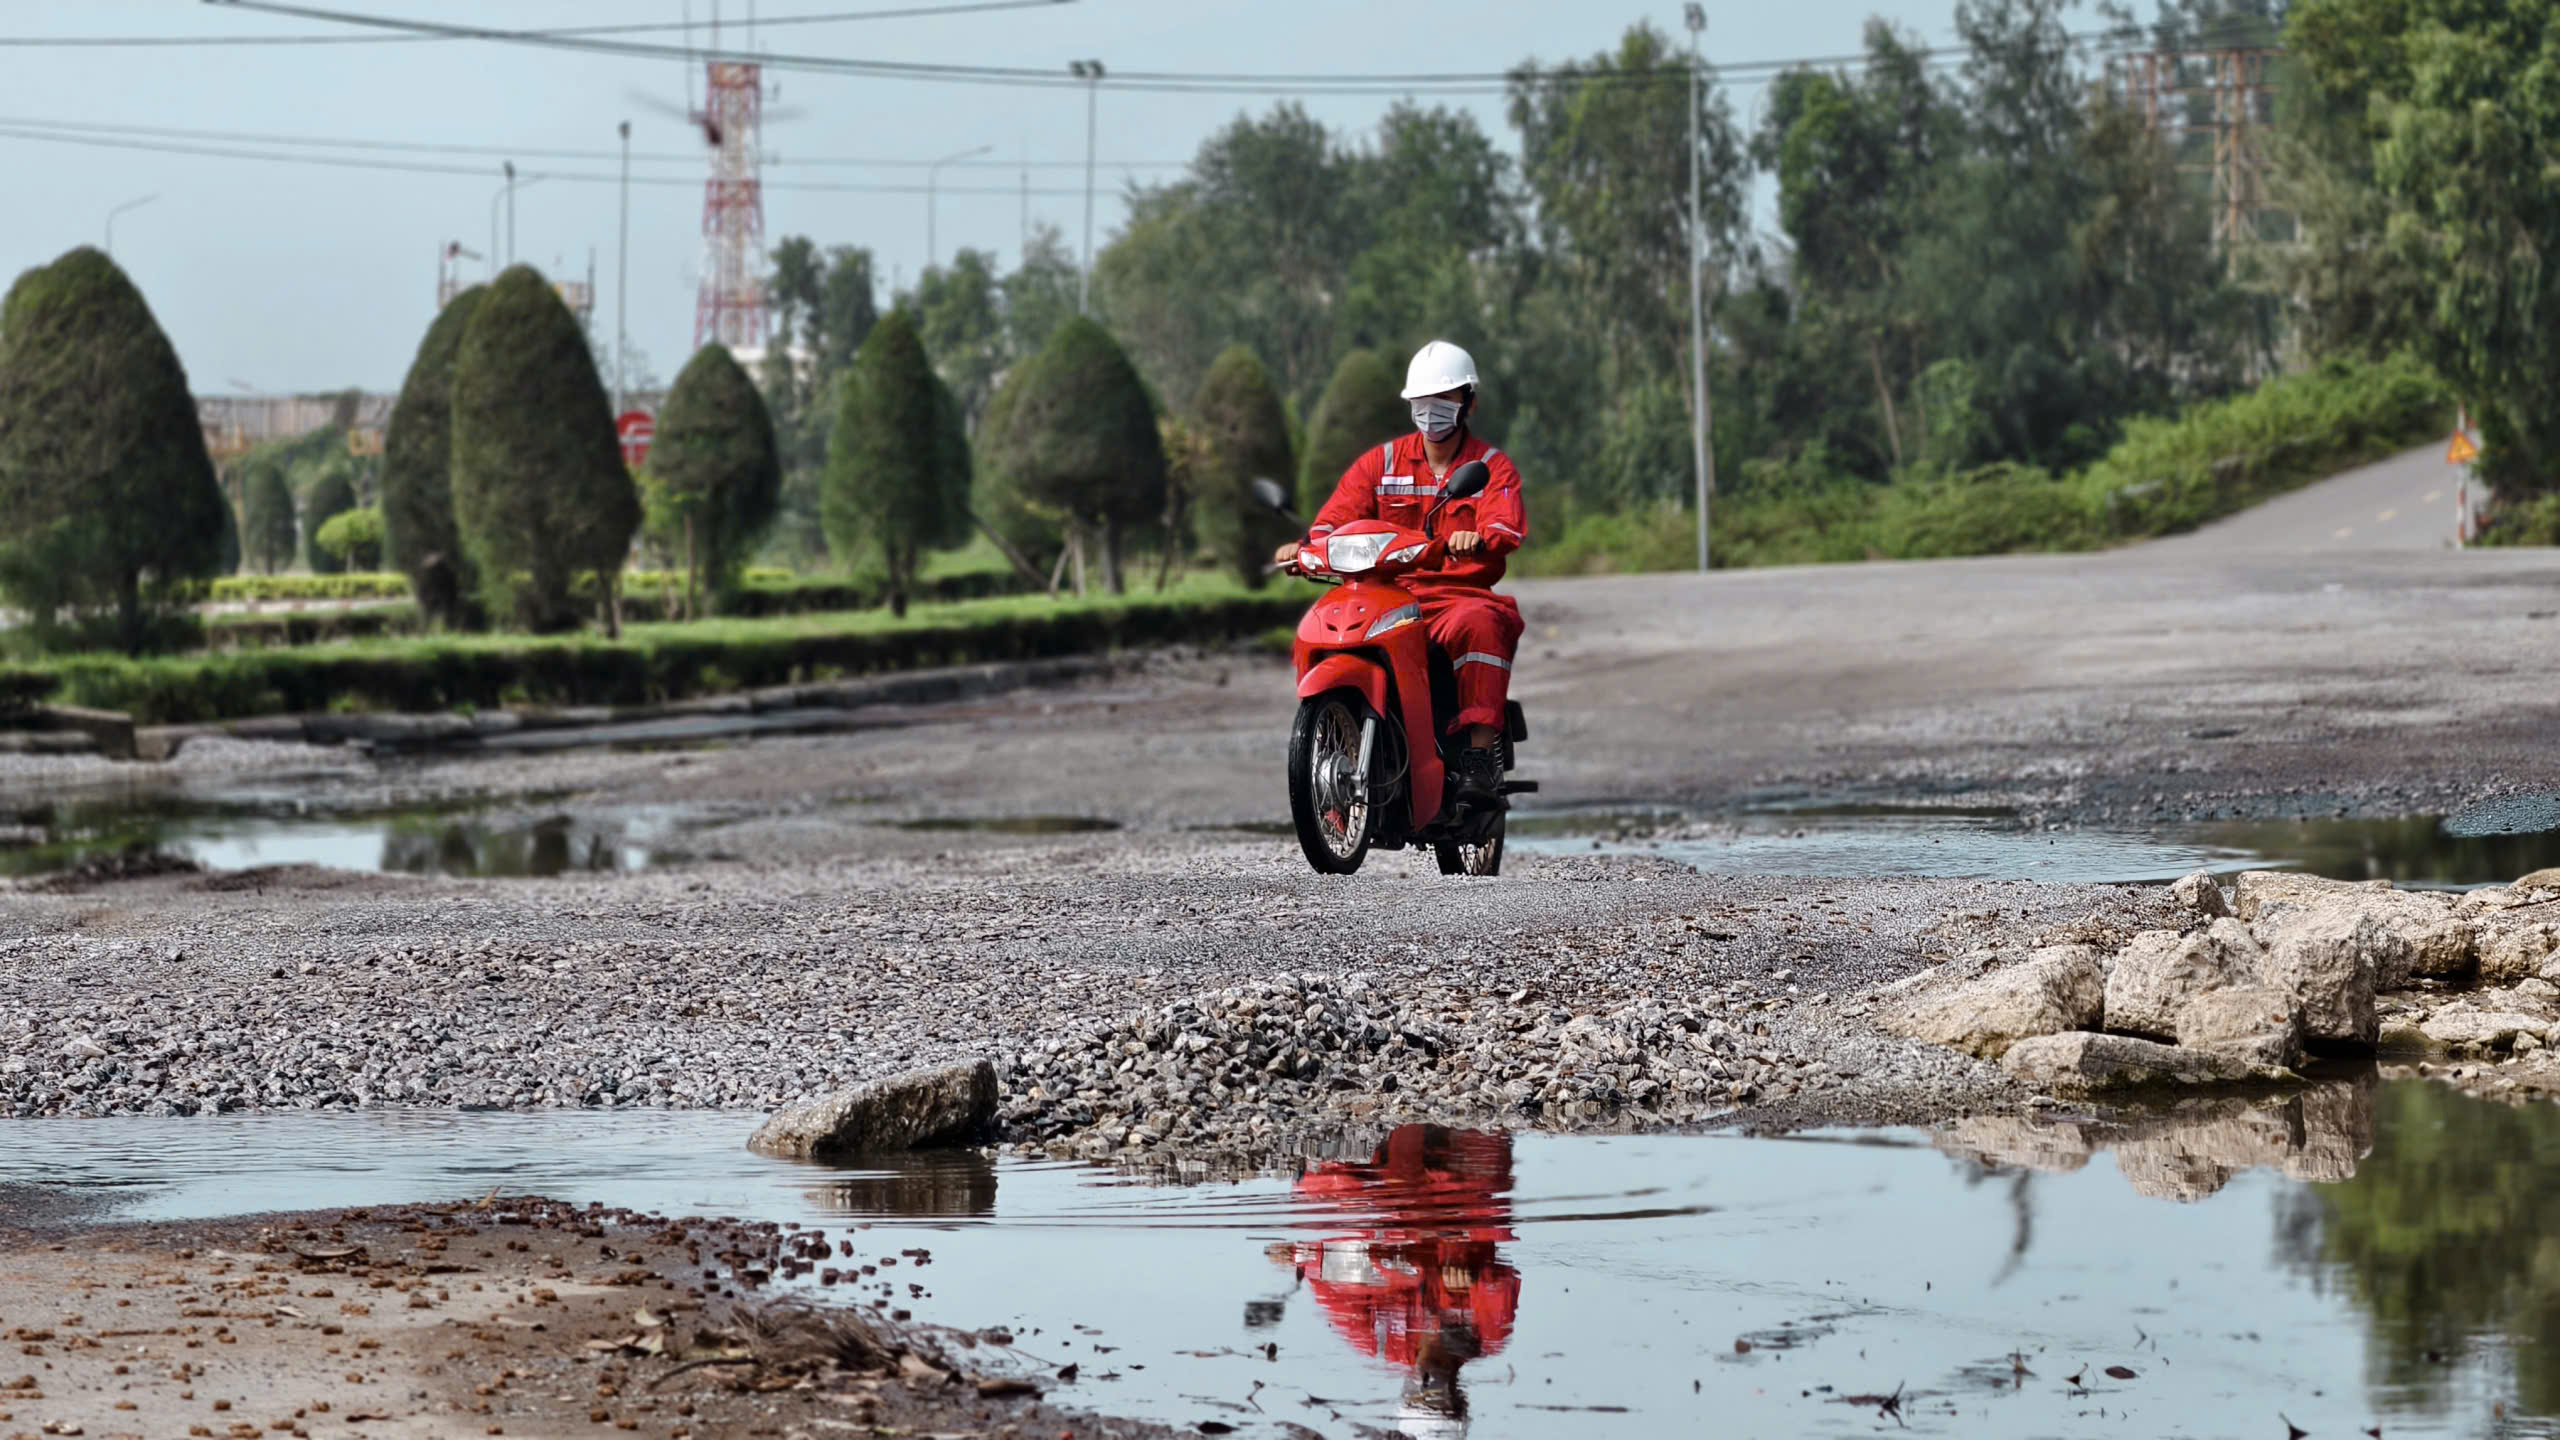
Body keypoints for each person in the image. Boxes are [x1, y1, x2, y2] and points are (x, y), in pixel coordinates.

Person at [1273, 340, 1528, 803]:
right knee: (1324, 623)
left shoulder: (1491, 468)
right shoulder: (1381, 463)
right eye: (1421, 403)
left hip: (1454, 598)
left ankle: (1475, 757)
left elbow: (1504, 524)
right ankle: (1342, 734)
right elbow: (1334, 520)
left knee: (1483, 624)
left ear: (1468, 401)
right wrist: (1307, 547)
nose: (1430, 411)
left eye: (1443, 400)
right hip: (1385, 593)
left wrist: (1479, 537)